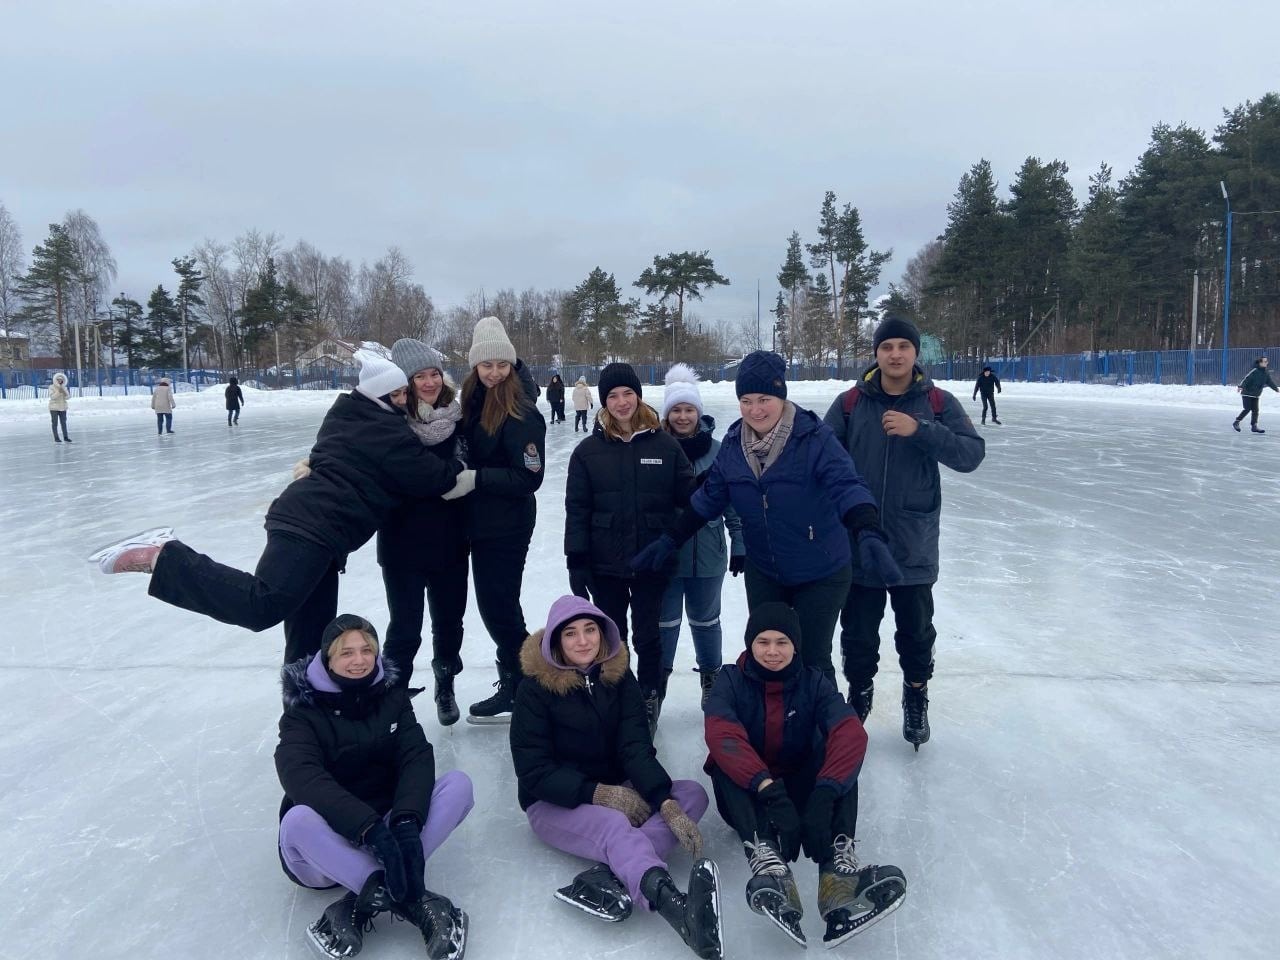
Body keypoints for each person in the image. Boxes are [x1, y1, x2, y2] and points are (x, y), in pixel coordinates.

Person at [89, 349, 466, 664]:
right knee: (263, 605)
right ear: (381, 397)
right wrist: (461, 465)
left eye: (405, 394)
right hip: (312, 527)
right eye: (398, 395)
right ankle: (164, 555)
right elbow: (433, 478)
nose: (404, 402)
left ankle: (308, 714)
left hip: (318, 528)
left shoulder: (349, 414)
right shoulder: (387, 432)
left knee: (310, 635)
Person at [631, 350, 899, 687]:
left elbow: (847, 484)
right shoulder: (733, 444)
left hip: (820, 569)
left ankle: (824, 731)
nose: (755, 410)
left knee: (811, 657)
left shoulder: (814, 438)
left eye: (764, 399)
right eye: (746, 400)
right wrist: (670, 539)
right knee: (765, 654)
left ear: (781, 396)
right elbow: (708, 499)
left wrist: (867, 529)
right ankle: (772, 727)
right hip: (766, 570)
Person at [510, 595, 722, 960]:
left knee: (690, 795)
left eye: (590, 630)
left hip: (618, 787)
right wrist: (597, 794)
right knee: (613, 827)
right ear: (555, 642)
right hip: (553, 801)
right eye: (571, 634)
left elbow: (635, 747)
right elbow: (534, 771)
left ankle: (613, 870)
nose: (583, 641)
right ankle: (674, 905)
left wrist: (664, 802)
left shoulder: (619, 677)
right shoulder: (534, 690)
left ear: (602, 633)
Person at [703, 602, 907, 948]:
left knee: (840, 756)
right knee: (722, 760)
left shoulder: (814, 682)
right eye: (762, 642)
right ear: (749, 644)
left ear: (795, 645)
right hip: (753, 795)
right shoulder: (730, 681)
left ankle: (836, 872)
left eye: (781, 642)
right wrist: (768, 789)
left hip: (803, 792)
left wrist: (825, 794)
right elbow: (722, 734)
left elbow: (850, 731)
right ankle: (769, 863)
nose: (771, 651)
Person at [823, 316, 986, 749]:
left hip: (913, 543)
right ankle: (857, 696)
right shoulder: (849, 403)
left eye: (903, 346)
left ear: (916, 353)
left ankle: (916, 695)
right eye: (887, 346)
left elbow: (971, 454)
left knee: (916, 632)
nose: (895, 354)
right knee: (858, 634)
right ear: (875, 354)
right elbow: (819, 460)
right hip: (858, 543)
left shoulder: (936, 401)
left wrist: (922, 431)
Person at [276, 614, 472, 960]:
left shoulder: (391, 697)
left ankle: (361, 899)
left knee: (458, 785)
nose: (359, 660)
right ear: (328, 658)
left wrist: (407, 823)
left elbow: (416, 756)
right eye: (346, 652)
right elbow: (300, 774)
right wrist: (368, 831)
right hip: (330, 846)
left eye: (367, 650)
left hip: (389, 829)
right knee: (296, 821)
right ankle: (410, 896)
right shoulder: (302, 711)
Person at [565, 362, 695, 732]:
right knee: (611, 634)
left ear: (638, 396)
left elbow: (690, 498)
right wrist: (576, 558)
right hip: (605, 561)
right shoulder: (588, 451)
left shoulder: (665, 445)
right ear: (604, 402)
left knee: (648, 632)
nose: (622, 402)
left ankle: (649, 695)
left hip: (652, 558)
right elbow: (577, 508)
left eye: (627, 394)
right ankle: (616, 695)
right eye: (612, 396)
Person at [376, 339, 471, 724]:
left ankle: (445, 682)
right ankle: (391, 697)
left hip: (451, 538)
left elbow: (468, 462)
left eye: (434, 373)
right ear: (405, 382)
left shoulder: (457, 417)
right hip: (402, 541)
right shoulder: (390, 422)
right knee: (404, 627)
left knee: (449, 621)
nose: (429, 382)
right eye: (420, 376)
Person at [459, 316, 547, 723]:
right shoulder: (473, 399)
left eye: (502, 364)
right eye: (486, 364)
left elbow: (530, 476)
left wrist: (476, 478)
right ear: (475, 366)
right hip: (480, 522)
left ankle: (524, 686)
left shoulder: (520, 410)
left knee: (499, 608)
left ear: (512, 365)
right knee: (496, 607)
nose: (494, 373)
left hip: (507, 524)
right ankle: (520, 682)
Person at [657, 363, 744, 708]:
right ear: (666, 414)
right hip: (666, 555)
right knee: (663, 623)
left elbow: (734, 502)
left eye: (688, 409)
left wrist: (740, 542)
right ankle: (656, 683)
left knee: (707, 621)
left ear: (699, 411)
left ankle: (712, 680)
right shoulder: (656, 447)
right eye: (675, 409)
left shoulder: (721, 449)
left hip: (708, 554)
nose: (682, 416)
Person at [1233, 356, 1277, 433]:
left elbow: (1269, 382)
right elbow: (1246, 379)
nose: (1267, 363)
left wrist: (1276, 389)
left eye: (1267, 361)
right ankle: (1236, 422)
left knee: (1255, 410)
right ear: (1260, 363)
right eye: (1265, 361)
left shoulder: (1265, 373)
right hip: (1247, 393)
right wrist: (1240, 386)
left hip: (1256, 394)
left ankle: (1254, 426)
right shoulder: (1255, 371)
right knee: (1247, 409)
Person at [48, 372, 71, 442]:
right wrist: (58, 391)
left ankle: (66, 437)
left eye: (61, 380)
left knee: (63, 423)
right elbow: (52, 397)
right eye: (58, 379)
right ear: (55, 380)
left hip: (63, 407)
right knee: (55, 423)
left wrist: (64, 393)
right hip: (54, 408)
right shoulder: (51, 387)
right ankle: (56, 438)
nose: (59, 381)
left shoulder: (64, 387)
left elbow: (68, 397)